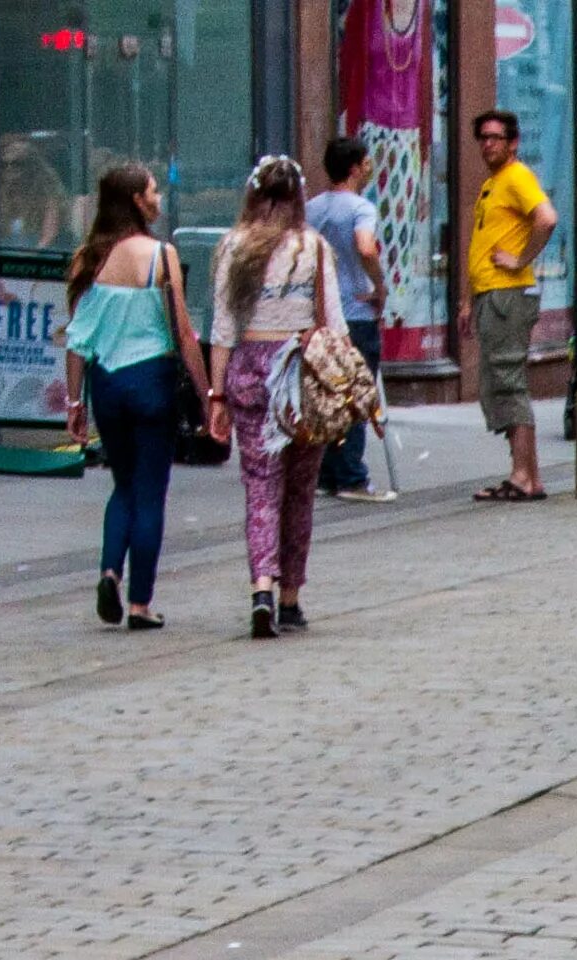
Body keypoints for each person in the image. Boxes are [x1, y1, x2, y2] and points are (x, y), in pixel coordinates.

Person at [62, 162, 212, 632]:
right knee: (151, 493)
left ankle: (109, 569)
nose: (159, 198)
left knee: (122, 486)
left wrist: (74, 403)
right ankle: (141, 604)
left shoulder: (89, 258)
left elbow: (76, 339)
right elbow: (184, 334)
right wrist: (210, 397)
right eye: (152, 191)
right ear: (135, 201)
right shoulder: (161, 256)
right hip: (152, 383)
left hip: (106, 384)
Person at [206, 155, 347, 640]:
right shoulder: (314, 248)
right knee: (301, 489)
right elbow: (333, 322)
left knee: (260, 487)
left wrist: (216, 394)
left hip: (249, 373)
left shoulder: (232, 248)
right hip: (302, 374)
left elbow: (223, 328)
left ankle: (261, 587)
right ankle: (291, 598)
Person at [459, 110, 556, 501]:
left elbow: (546, 219)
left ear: (513, 142)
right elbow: (482, 243)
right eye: (483, 137)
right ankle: (527, 476)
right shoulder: (493, 184)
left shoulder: (516, 177)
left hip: (506, 294)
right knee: (502, 381)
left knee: (506, 380)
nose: (488, 143)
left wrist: (521, 259)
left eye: (496, 137)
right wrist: (468, 299)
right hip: (491, 294)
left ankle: (522, 475)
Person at [307, 138, 390, 498]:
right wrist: (378, 284)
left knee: (326, 390)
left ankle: (327, 472)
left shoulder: (311, 209)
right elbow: (365, 246)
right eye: (366, 163)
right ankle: (353, 475)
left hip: (320, 312)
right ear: (355, 167)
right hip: (355, 310)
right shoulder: (361, 208)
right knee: (356, 391)